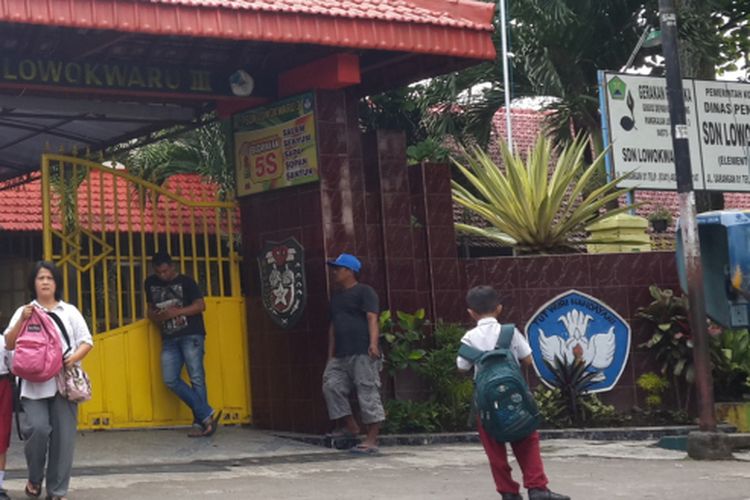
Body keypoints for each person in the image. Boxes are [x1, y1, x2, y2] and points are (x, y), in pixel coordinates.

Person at [457, 286, 569, 500]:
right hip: (516, 401)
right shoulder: (509, 332)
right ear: (499, 309)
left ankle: (508, 492)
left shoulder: (469, 338)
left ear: (470, 312)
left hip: (486, 404)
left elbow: (462, 367)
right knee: (527, 440)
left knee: (494, 449)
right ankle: (537, 489)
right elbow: (527, 359)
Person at [4, 261, 94, 500]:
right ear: (33, 283)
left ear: (56, 283)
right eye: (40, 278)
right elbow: (9, 343)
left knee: (64, 440)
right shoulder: (25, 312)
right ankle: (34, 478)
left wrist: (71, 359)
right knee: (37, 430)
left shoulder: (69, 311)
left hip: (63, 384)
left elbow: (87, 341)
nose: (45, 282)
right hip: (33, 385)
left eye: (50, 278)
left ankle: (57, 491)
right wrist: (22, 320)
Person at [144, 251, 221, 437]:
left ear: (172, 267)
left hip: (191, 334)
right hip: (169, 337)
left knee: (196, 376)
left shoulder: (187, 282)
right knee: (170, 379)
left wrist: (177, 312)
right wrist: (158, 316)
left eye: (165, 271)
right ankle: (206, 414)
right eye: (158, 272)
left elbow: (201, 305)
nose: (162, 276)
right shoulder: (150, 283)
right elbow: (150, 311)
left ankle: (202, 422)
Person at [322, 253, 384, 454]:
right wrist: (330, 354)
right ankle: (351, 426)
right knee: (331, 385)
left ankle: (372, 439)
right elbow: (333, 326)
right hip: (340, 354)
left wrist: (374, 344)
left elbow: (372, 318)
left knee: (367, 391)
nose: (335, 273)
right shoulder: (337, 298)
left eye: (338, 269)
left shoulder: (365, 292)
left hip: (362, 351)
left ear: (350, 271)